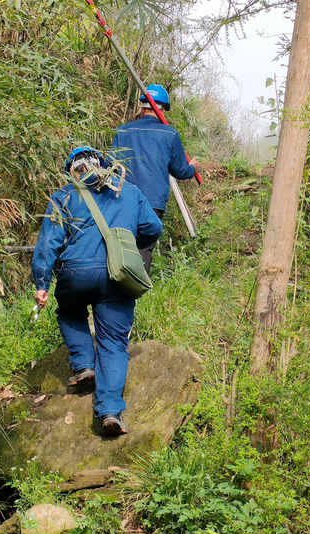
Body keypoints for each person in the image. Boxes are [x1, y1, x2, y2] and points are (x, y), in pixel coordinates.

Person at [31, 147, 162, 436]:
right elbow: (153, 227)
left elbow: (47, 244)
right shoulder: (128, 191)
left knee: (69, 313)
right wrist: (124, 239)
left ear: (72, 171)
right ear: (102, 166)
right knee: (113, 343)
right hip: (117, 274)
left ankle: (84, 365)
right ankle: (110, 411)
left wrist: (42, 284)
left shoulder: (64, 196)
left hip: (75, 273)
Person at [111, 84, 198, 273]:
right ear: (163, 109)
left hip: (123, 198)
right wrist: (192, 168)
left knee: (121, 243)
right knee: (144, 247)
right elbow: (180, 171)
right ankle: (136, 289)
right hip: (153, 201)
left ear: (143, 106)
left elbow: (112, 169)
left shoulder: (122, 132)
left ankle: (115, 285)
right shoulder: (169, 134)